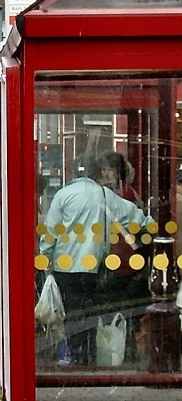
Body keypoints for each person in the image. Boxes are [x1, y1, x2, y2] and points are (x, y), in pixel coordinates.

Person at [39, 151, 152, 366]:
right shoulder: (104, 195)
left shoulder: (64, 194)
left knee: (71, 313)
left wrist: (46, 259)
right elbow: (137, 216)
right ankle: (88, 354)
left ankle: (76, 356)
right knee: (89, 313)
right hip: (93, 266)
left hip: (66, 265)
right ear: (96, 173)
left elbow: (50, 232)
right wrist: (155, 225)